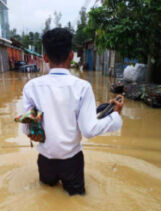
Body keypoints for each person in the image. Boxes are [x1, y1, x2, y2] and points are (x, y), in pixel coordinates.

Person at [21, 28, 124, 195]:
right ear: (71, 55)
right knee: (77, 202)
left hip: (45, 160)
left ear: (45, 57)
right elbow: (89, 130)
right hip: (72, 161)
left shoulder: (31, 87)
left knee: (47, 198)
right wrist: (114, 116)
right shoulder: (82, 87)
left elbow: (26, 128)